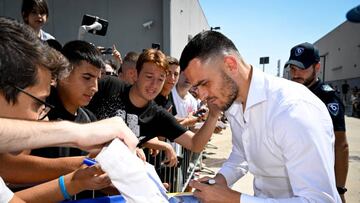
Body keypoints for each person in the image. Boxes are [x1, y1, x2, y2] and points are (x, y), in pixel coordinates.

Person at [179, 31, 341, 202]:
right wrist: (219, 181)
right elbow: (241, 154)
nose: (202, 96)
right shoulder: (233, 103)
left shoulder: (293, 110)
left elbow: (320, 200)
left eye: (204, 83)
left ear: (230, 65)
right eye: (196, 88)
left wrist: (234, 199)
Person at [0, 17, 137, 202]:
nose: (41, 117)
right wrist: (79, 146)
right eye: (38, 102)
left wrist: (80, 178)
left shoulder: (87, 117)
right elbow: (9, 166)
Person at [87, 48, 220, 158]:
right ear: (135, 75)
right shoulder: (109, 86)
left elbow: (195, 144)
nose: (154, 85)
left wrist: (213, 115)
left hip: (113, 186)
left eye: (160, 79)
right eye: (149, 77)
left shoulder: (157, 115)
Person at [285, 42, 349, 202]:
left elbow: (341, 145)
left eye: (302, 68)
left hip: (318, 182)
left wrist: (339, 189)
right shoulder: (290, 93)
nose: (296, 74)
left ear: (317, 67)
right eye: (293, 68)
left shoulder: (328, 98)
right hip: (291, 180)